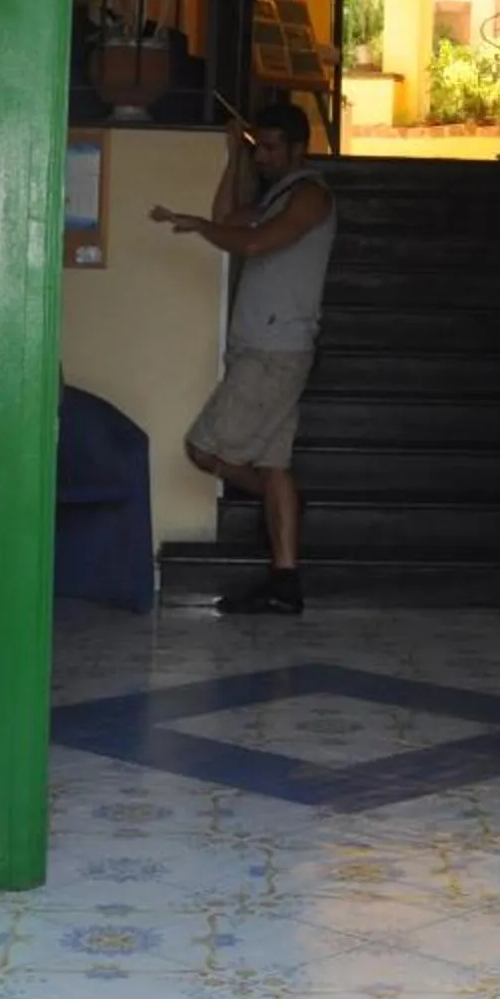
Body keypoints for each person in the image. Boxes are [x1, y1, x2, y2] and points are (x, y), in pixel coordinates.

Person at [149, 98, 335, 615]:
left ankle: (289, 512)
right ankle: (284, 581)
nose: (264, 157)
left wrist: (198, 226)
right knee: (274, 466)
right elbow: (227, 219)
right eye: (260, 147)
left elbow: (253, 244)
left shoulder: (312, 196)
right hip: (265, 348)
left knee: (206, 450)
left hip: (276, 352)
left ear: (299, 148)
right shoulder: (279, 194)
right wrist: (233, 155)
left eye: (272, 147)